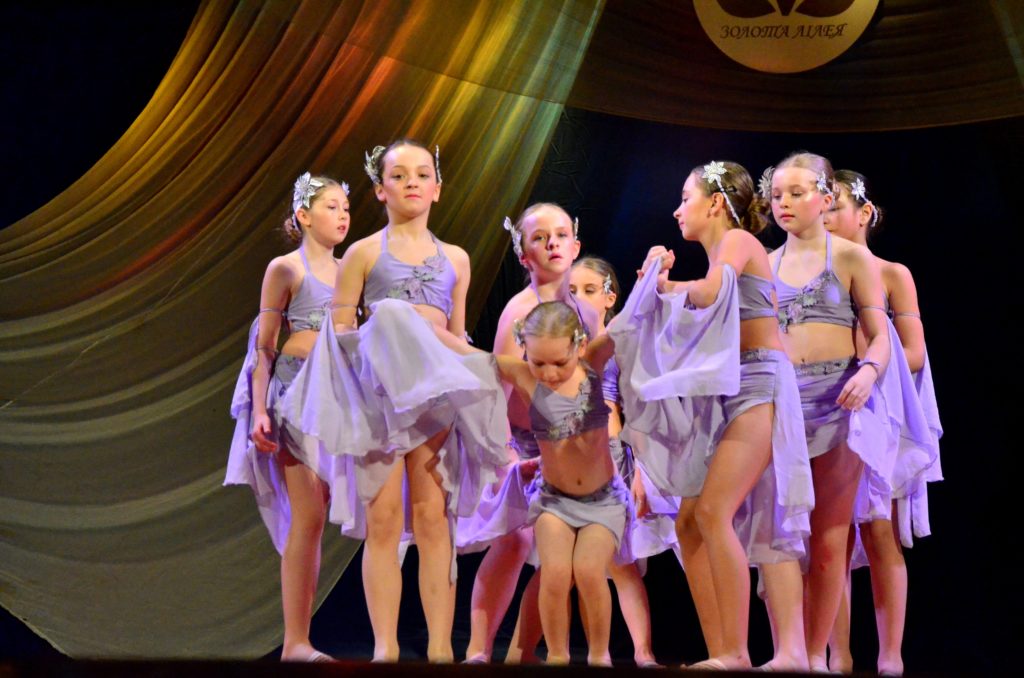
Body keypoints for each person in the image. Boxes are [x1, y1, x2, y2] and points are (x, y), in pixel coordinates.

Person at [279, 139, 507, 662]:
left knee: (433, 519)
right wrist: (382, 337)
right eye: (398, 175)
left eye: (422, 174)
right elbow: (339, 329)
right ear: (380, 190)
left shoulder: (455, 258)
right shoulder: (363, 253)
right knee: (382, 522)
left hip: (433, 400)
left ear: (438, 188)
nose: (411, 183)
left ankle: (440, 649)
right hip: (379, 398)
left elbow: (456, 334)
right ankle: (385, 649)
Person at [633, 161, 812, 670]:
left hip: (758, 384)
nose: (677, 210)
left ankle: (736, 652)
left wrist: (665, 286)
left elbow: (711, 294)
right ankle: (720, 651)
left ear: (714, 203)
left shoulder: (736, 241)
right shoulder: (717, 255)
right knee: (689, 522)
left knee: (713, 512)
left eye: (685, 197)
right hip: (726, 390)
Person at [441, 301, 628, 666]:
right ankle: (557, 656)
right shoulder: (525, 375)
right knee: (554, 574)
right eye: (538, 362)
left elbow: (629, 321)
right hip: (554, 500)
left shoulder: (593, 364)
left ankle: (599, 656)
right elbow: (467, 354)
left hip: (603, 501)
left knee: (588, 571)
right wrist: (416, 322)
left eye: (559, 362)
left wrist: (656, 279)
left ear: (578, 345)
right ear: (524, 348)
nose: (549, 373)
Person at [765, 152, 892, 673]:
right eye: (777, 195)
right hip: (781, 407)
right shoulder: (764, 263)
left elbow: (881, 336)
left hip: (839, 402)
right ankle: (787, 651)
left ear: (823, 197)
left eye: (797, 193)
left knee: (828, 538)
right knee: (780, 537)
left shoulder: (851, 257)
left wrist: (868, 372)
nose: (785, 203)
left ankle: (816, 655)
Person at [459, 203, 599, 664]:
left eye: (560, 235)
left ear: (576, 246)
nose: (552, 243)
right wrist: (505, 456)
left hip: (568, 447)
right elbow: (497, 387)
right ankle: (478, 651)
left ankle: (522, 652)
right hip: (520, 442)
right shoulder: (520, 311)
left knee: (567, 550)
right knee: (515, 540)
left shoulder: (585, 312)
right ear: (524, 256)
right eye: (540, 238)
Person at [225, 172, 350, 662]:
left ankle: (301, 640)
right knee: (310, 513)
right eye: (332, 206)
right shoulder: (286, 269)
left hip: (336, 397)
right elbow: (264, 348)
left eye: (346, 208)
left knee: (326, 512)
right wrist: (259, 410)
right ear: (304, 215)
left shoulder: (350, 270)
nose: (342, 215)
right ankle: (296, 642)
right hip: (294, 393)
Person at [824, 170, 942, 676]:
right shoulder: (814, 272)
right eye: (821, 207)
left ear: (864, 212)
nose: (825, 217)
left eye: (835, 206)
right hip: (827, 404)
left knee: (879, 531)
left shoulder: (892, 273)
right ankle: (838, 654)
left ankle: (890, 656)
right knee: (829, 534)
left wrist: (871, 359)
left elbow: (914, 353)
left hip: (878, 409)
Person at [570, 256, 668, 667]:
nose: (579, 298)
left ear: (610, 297)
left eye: (589, 290)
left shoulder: (620, 343)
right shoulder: (559, 341)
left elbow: (636, 410)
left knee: (620, 560)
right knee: (580, 566)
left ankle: (643, 653)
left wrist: (641, 470)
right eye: (571, 291)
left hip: (609, 455)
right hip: (567, 458)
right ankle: (597, 654)